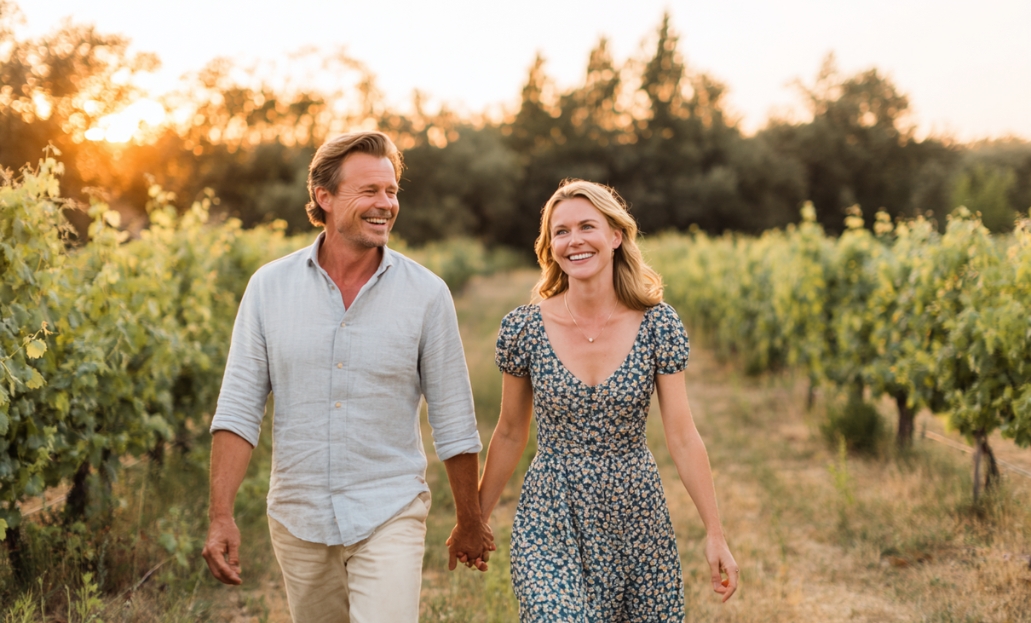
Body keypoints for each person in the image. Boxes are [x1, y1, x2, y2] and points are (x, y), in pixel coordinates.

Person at [201, 130, 492, 622]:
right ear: (324, 197)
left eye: (392, 191)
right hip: (298, 514)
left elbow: (454, 417)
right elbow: (238, 408)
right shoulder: (269, 288)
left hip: (390, 506)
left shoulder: (427, 294)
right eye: (370, 191)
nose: (386, 204)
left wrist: (470, 519)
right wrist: (220, 515)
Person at [472, 180, 739, 620]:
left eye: (586, 226)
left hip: (635, 510)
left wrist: (715, 533)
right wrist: (475, 522)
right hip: (551, 509)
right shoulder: (524, 329)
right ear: (550, 245)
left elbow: (683, 436)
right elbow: (509, 431)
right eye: (561, 231)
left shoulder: (657, 325)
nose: (573, 240)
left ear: (615, 236)